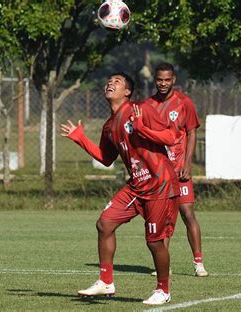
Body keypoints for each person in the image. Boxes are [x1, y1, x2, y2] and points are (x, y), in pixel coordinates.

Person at [60, 72, 180, 305]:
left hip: (159, 184)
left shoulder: (140, 110)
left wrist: (142, 129)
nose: (110, 83)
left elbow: (171, 136)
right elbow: (106, 158)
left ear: (127, 92)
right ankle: (106, 281)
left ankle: (163, 290)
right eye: (108, 80)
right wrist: (80, 138)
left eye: (117, 81)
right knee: (104, 224)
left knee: (154, 241)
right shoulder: (109, 126)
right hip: (136, 187)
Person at [143, 62, 208, 277]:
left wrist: (187, 164)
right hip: (160, 172)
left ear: (174, 80)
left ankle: (198, 263)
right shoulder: (148, 105)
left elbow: (191, 133)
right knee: (163, 218)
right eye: (159, 80)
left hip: (180, 170)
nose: (163, 83)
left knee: (187, 213)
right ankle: (164, 265)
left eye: (167, 80)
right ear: (155, 80)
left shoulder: (184, 103)